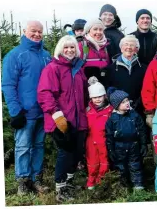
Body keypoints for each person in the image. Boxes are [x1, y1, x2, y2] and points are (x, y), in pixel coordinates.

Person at [2, 20, 51, 196]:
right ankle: (23, 180)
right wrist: (15, 111)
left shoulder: (46, 55)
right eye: (33, 31)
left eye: (40, 32)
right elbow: (8, 85)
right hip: (25, 112)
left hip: (43, 111)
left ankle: (36, 177)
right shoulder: (15, 55)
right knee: (22, 146)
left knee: (38, 145)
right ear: (24, 31)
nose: (37, 34)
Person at [37, 35, 88, 202]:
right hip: (61, 119)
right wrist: (56, 114)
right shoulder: (53, 68)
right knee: (65, 153)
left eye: (72, 47)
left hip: (79, 118)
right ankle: (60, 188)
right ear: (60, 49)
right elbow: (45, 93)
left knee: (77, 151)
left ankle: (69, 180)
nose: (69, 50)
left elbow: (83, 92)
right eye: (66, 47)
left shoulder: (79, 68)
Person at [105, 88, 148, 190]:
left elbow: (142, 130)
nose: (127, 103)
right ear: (116, 105)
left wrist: (143, 144)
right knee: (121, 167)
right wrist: (110, 150)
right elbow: (109, 136)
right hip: (119, 147)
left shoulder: (135, 115)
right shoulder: (112, 119)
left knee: (135, 165)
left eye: (127, 100)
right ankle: (123, 187)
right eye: (123, 102)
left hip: (134, 145)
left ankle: (138, 186)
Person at [103, 35, 147, 116]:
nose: (129, 47)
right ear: (121, 48)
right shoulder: (110, 69)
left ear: (136, 49)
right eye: (126, 44)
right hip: (118, 111)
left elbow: (146, 88)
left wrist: (138, 103)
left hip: (139, 110)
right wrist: (119, 104)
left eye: (132, 45)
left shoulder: (144, 68)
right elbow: (109, 89)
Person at [85, 77, 113, 190]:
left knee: (104, 161)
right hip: (91, 141)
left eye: (100, 96)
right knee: (92, 162)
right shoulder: (88, 111)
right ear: (91, 98)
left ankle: (102, 182)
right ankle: (91, 182)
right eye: (94, 97)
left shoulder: (110, 110)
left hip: (104, 140)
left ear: (105, 96)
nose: (97, 99)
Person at [78, 19, 110, 83]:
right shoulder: (84, 45)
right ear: (89, 30)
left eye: (100, 29)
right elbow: (77, 66)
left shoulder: (106, 46)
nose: (98, 32)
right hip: (87, 84)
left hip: (103, 84)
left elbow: (108, 64)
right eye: (95, 29)